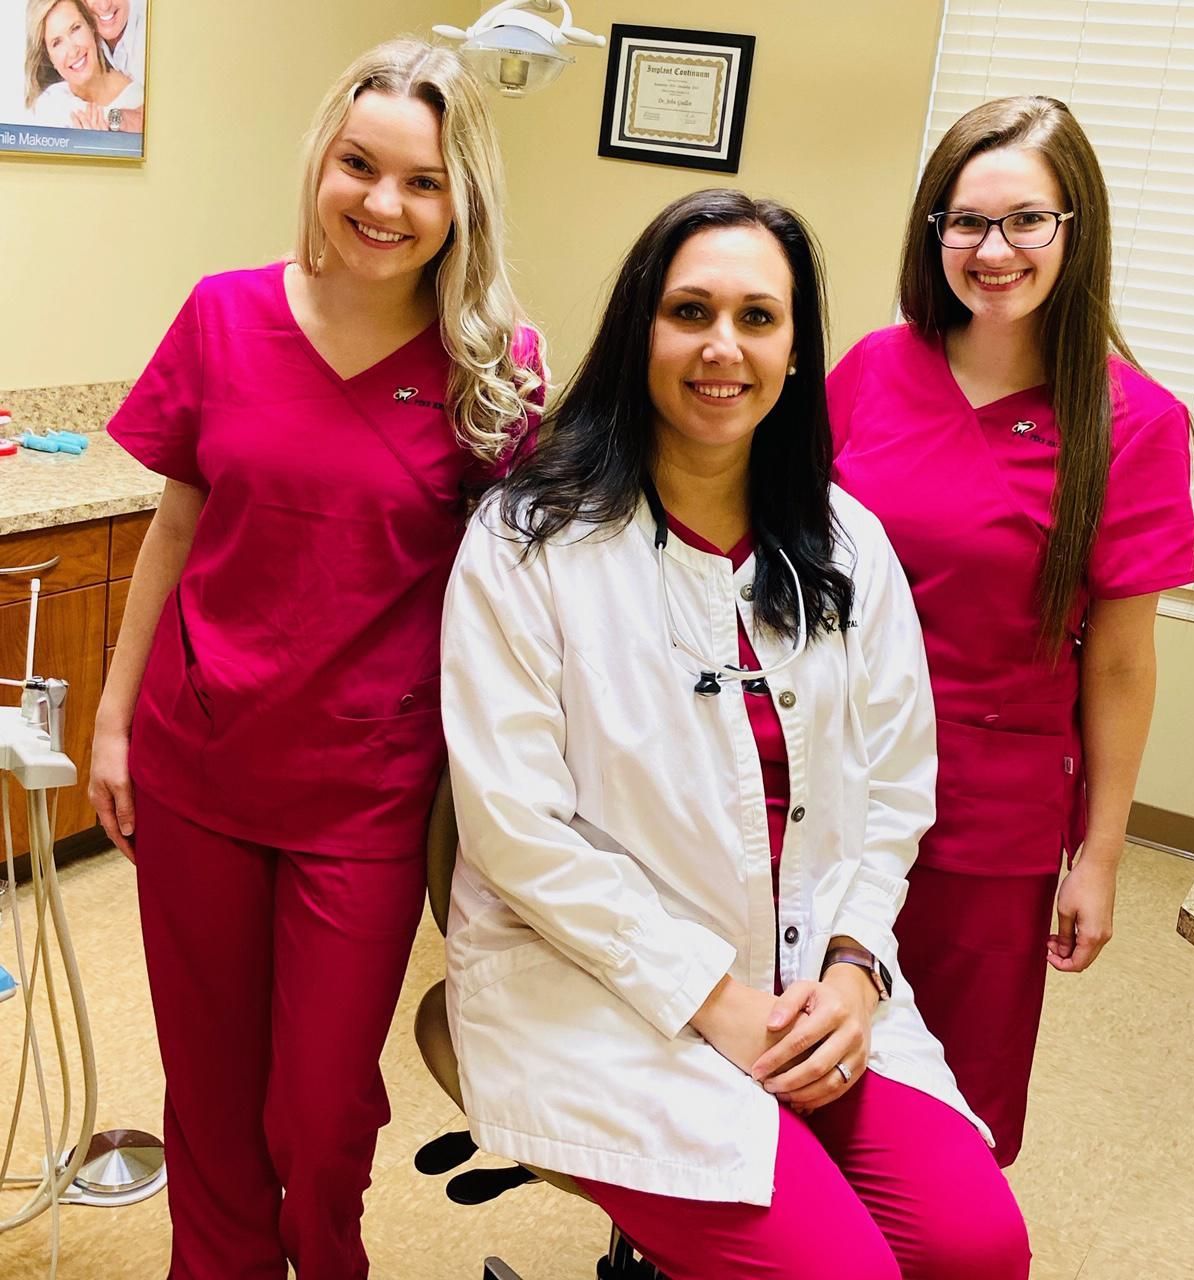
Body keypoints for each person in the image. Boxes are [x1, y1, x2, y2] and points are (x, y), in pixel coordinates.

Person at [440, 189, 1031, 1280]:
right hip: (602, 992)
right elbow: (515, 826)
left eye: (759, 317)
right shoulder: (529, 541)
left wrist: (854, 970)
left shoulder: (846, 543)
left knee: (975, 1252)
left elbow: (896, 788)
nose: (723, 347)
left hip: (809, 983)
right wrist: (711, 996)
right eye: (690, 311)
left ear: (797, 348)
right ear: (640, 330)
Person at [88, 38, 541, 1280]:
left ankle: (323, 1257)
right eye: (360, 165)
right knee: (213, 1087)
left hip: (367, 787)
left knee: (323, 1107)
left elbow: (537, 591)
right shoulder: (224, 314)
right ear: (322, 163)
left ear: (462, 204)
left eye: (423, 182)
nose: (384, 205)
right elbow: (173, 529)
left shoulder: (491, 371)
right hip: (199, 764)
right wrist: (117, 722)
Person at [826, 95, 1194, 1167]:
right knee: (803, 1057)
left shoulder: (1132, 422)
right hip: (826, 775)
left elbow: (1123, 663)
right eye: (964, 220)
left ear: (1074, 230)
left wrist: (1100, 853)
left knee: (945, 1102)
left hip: (988, 808)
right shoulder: (870, 370)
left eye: (1025, 220)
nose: (991, 250)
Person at [24, 0, 142, 131]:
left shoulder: (138, 98)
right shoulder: (48, 106)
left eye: (75, 29)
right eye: (57, 43)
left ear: (91, 27)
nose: (73, 51)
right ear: (49, 57)